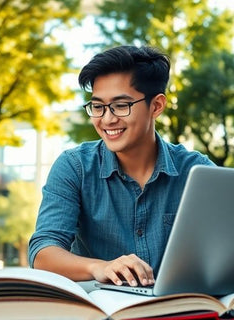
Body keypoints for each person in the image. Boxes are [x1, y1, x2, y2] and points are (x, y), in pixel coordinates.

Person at [28, 45, 215, 288]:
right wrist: (99, 267)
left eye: (120, 105)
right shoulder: (74, 167)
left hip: (178, 308)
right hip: (101, 309)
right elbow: (43, 252)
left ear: (156, 106)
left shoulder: (197, 173)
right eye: (97, 106)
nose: (107, 119)